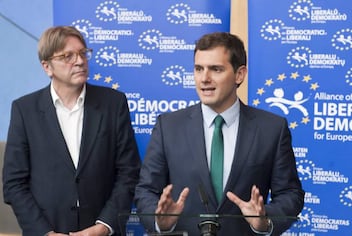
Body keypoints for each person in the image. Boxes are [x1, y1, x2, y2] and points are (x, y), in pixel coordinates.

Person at [134, 32, 304, 235]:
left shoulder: (272, 129)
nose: (204, 78)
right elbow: (146, 191)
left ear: (239, 74)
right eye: (199, 69)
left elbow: (289, 194)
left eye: (216, 69)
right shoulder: (168, 126)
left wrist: (264, 220)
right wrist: (161, 221)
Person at [2, 26, 141, 236]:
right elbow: (14, 183)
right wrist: (44, 232)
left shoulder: (113, 104)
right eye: (68, 56)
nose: (79, 61)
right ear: (47, 67)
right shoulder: (25, 110)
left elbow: (129, 173)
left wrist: (104, 226)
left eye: (83, 53)